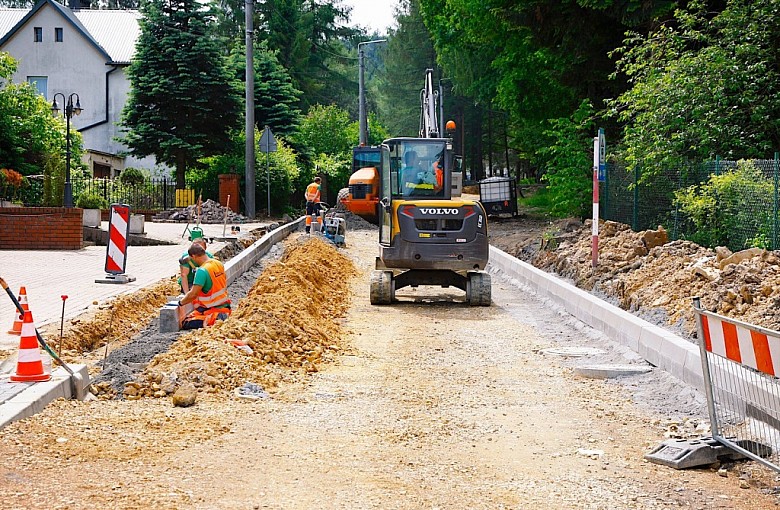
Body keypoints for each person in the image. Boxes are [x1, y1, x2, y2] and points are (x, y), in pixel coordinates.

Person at [177, 243, 231, 329]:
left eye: (191, 259)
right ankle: (220, 316)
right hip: (224, 307)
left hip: (213, 309)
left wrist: (180, 303)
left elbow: (193, 294)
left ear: (194, 256)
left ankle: (215, 319)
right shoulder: (218, 263)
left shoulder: (202, 271)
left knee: (186, 322)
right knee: (195, 313)